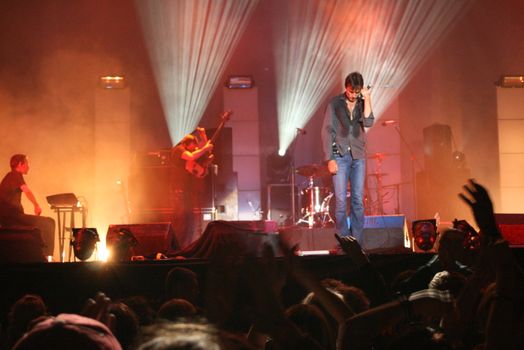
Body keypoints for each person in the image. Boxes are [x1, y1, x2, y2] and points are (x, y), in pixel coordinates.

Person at [322, 72, 374, 241]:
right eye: (351, 92)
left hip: (358, 156)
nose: (353, 95)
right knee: (341, 202)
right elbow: (327, 130)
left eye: (357, 92)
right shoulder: (335, 103)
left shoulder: (361, 102)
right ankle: (344, 241)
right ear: (346, 88)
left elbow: (368, 122)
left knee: (358, 200)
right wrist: (329, 158)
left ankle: (356, 241)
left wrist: (367, 98)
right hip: (340, 156)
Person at [0, 154, 55, 257]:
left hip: (11, 217)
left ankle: (42, 255)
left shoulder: (12, 176)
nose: (29, 166)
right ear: (20, 164)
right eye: (27, 163)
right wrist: (36, 205)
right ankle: (47, 257)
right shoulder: (14, 175)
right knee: (48, 223)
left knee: (46, 223)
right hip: (12, 218)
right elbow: (27, 191)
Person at [170, 128, 213, 248]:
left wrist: (203, 136)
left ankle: (185, 247)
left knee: (189, 222)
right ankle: (177, 249)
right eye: (192, 146)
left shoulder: (187, 154)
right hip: (178, 193)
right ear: (186, 144)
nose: (194, 149)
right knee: (182, 222)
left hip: (186, 193)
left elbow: (201, 151)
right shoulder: (178, 150)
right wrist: (204, 148)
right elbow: (192, 156)